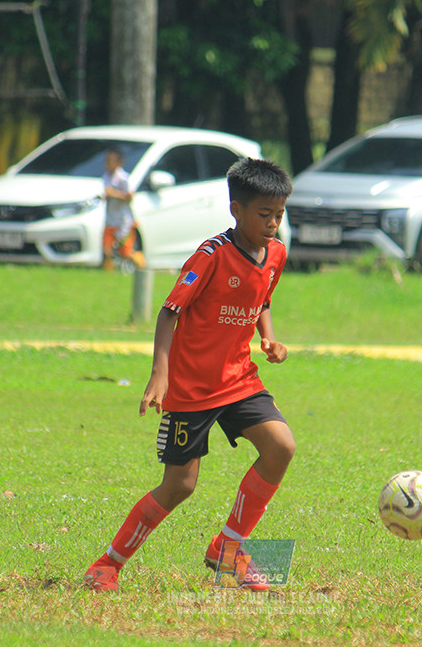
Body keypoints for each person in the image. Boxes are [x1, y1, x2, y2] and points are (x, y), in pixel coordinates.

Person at [84, 157, 295, 592]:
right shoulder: (211, 255)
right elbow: (169, 311)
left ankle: (229, 548)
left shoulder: (276, 252)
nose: (274, 223)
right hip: (192, 388)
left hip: (239, 379)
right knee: (180, 485)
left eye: (279, 214)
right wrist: (159, 374)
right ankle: (108, 564)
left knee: (281, 448)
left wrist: (268, 338)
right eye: (264, 214)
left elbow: (263, 299)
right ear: (236, 209)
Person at [101, 147, 146, 271]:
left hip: (123, 221)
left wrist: (114, 194)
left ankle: (141, 262)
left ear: (119, 163)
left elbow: (130, 196)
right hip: (110, 220)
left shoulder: (123, 178)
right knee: (107, 250)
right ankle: (107, 275)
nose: (107, 164)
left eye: (110, 161)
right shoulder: (106, 177)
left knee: (125, 252)